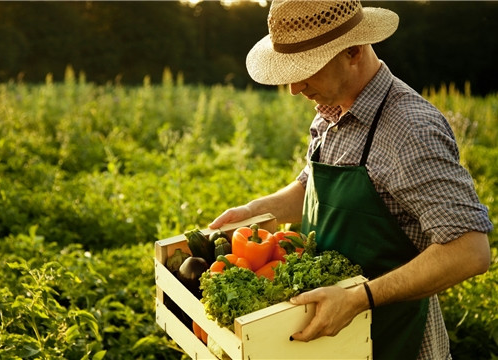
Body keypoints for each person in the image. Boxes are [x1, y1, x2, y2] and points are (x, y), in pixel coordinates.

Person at [208, 1, 493, 359]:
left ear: (354, 51)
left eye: (306, 69)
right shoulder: (331, 109)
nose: (295, 87)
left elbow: (470, 250)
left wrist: (359, 298)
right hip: (331, 340)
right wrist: (259, 208)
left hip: (394, 338)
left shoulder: (409, 129)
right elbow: (311, 184)